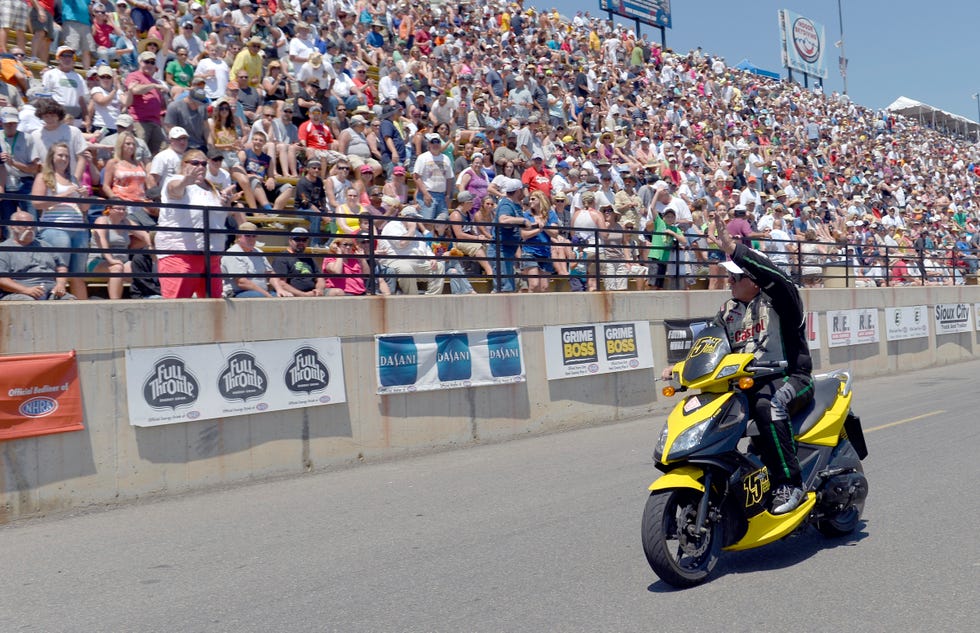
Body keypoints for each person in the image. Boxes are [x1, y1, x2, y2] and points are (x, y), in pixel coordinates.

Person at [662, 210, 813, 515]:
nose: (729, 280)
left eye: (736, 275)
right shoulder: (727, 310)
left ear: (756, 280)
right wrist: (680, 368)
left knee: (768, 407)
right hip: (745, 383)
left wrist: (734, 249)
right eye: (729, 274)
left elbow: (777, 276)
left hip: (790, 378)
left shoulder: (781, 299)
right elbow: (708, 346)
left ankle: (790, 482)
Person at [158, 149, 240, 298]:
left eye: (203, 163)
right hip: (181, 254)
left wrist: (226, 203)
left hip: (211, 256)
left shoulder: (212, 188)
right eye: (195, 163)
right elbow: (174, 190)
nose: (200, 167)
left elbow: (219, 218)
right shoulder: (175, 179)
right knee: (177, 306)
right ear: (184, 165)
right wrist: (185, 181)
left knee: (213, 307)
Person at [0, 211, 75, 300]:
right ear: (12, 226)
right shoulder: (4, 249)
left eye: (32, 224)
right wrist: (25, 290)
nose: (29, 228)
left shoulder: (45, 245)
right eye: (24, 224)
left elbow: (61, 267)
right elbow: (2, 279)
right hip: (20, 292)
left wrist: (60, 285)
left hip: (51, 290)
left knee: (70, 300)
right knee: (28, 302)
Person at [86, 204, 150, 299]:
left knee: (138, 268)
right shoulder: (102, 220)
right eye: (118, 209)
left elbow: (144, 234)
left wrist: (151, 246)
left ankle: (144, 298)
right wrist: (110, 259)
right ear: (109, 209)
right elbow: (102, 240)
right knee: (117, 269)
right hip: (99, 262)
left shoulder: (126, 222)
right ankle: (115, 302)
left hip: (122, 262)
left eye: (124, 209)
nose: (122, 211)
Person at [220, 221, 275, 297]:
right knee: (258, 296)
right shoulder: (232, 253)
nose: (251, 238)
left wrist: (279, 289)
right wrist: (266, 295)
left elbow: (270, 274)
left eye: (254, 236)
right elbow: (242, 282)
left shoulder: (259, 252)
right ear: (239, 237)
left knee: (280, 296)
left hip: (261, 292)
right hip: (237, 292)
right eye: (247, 235)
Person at [270, 227, 325, 297]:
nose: (301, 242)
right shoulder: (282, 258)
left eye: (304, 240)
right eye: (297, 239)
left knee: (337, 292)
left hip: (312, 292)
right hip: (293, 294)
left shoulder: (309, 259)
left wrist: (319, 290)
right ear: (290, 240)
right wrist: (303, 294)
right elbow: (281, 283)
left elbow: (320, 278)